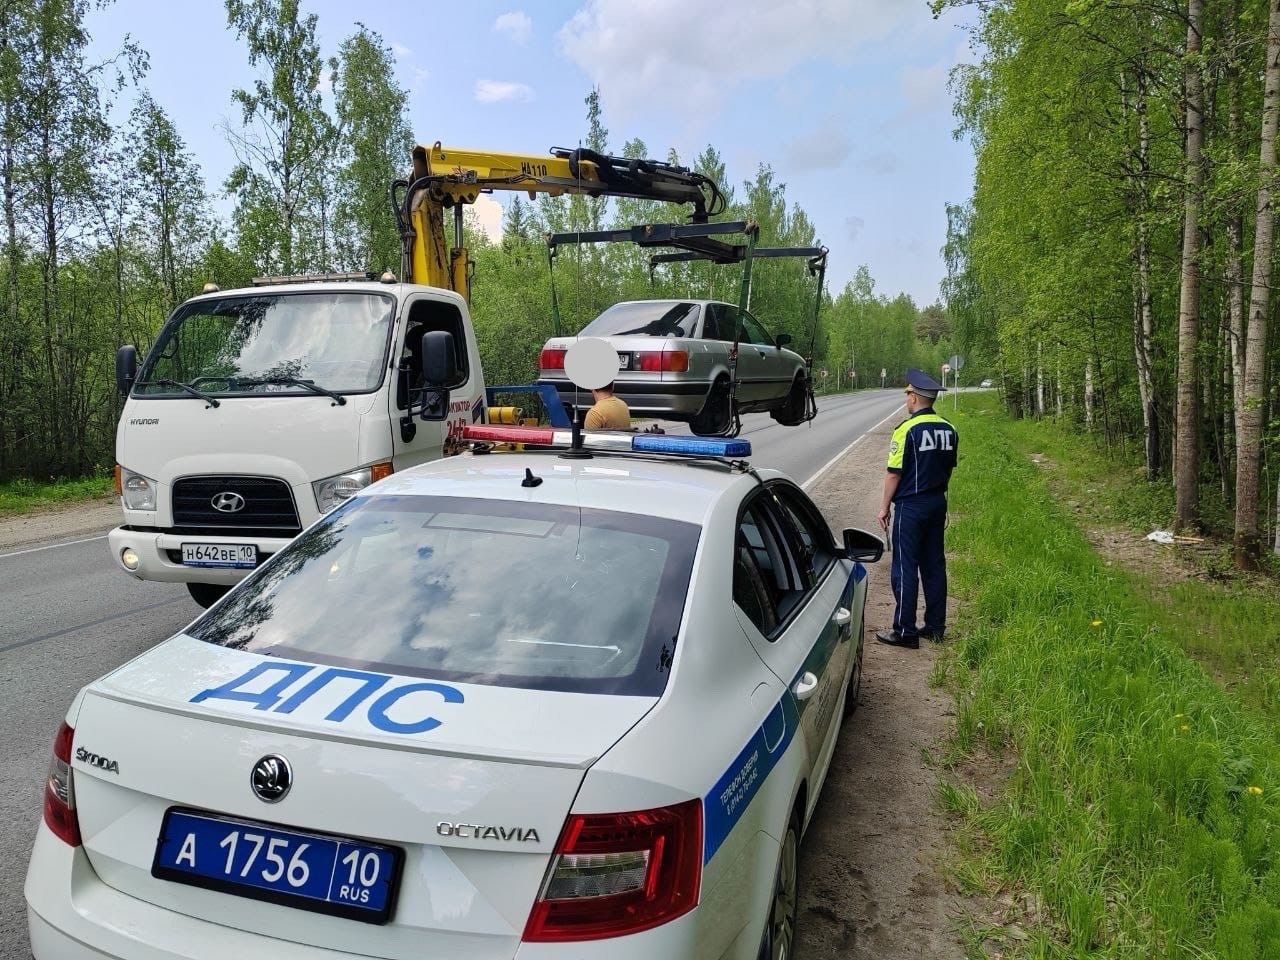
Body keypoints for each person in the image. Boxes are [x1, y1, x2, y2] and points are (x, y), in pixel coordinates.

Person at [875, 368, 959, 649]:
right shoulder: (949, 429)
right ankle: (935, 627)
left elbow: (893, 474)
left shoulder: (906, 430)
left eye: (907, 393)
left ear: (914, 398)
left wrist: (884, 508)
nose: (906, 398)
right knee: (934, 565)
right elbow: (947, 469)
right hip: (937, 503)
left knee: (905, 566)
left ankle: (905, 630)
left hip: (911, 506)